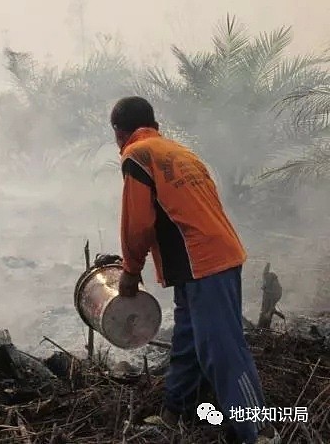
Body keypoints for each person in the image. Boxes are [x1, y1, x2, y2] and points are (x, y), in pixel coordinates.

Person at [110, 96, 280, 444]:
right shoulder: (179, 152)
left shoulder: (137, 155)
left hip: (204, 263)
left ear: (119, 132)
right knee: (188, 341)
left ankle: (261, 431)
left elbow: (138, 224)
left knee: (222, 348)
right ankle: (175, 412)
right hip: (208, 259)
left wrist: (130, 269)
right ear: (153, 124)